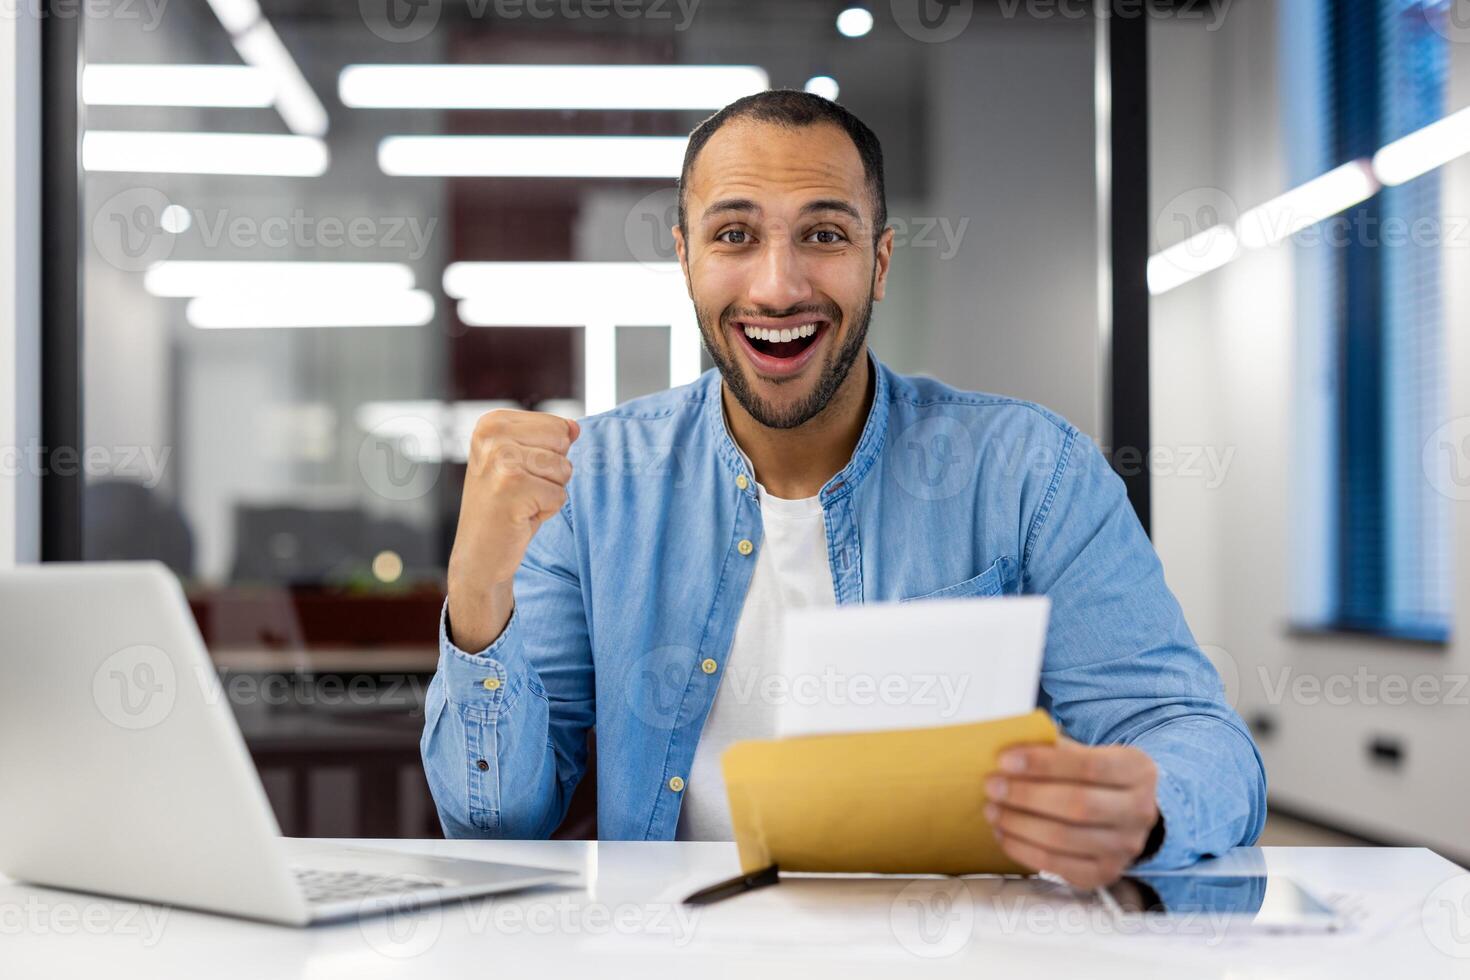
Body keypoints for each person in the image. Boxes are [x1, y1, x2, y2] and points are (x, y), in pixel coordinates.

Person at [422, 90, 1265, 888]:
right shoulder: (594, 485)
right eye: (734, 237)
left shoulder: (1028, 472)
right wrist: (478, 591)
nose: (779, 287)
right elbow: (497, 826)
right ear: (685, 259)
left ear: (880, 259)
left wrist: (1144, 802)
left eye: (824, 235)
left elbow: (1200, 743)